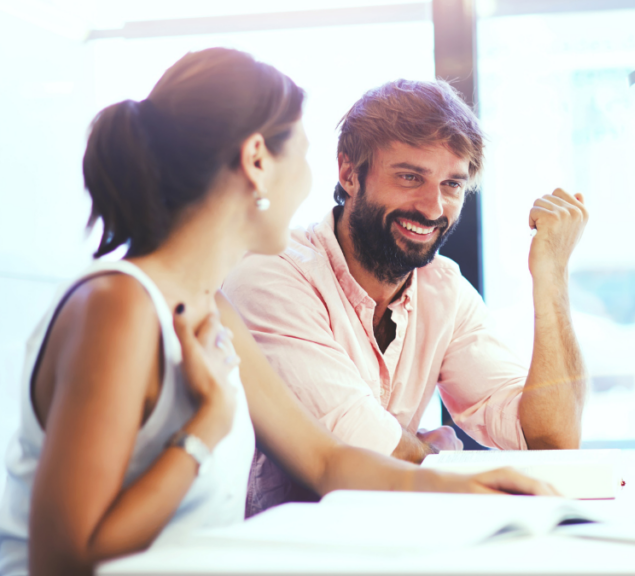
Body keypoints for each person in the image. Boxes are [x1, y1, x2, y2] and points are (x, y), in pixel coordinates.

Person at [0, 49, 555, 576]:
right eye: (305, 157)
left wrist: (472, 489)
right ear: (257, 161)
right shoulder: (118, 307)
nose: (312, 183)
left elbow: (328, 462)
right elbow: (61, 560)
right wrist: (202, 432)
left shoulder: (212, 308)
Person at [222, 79, 590, 517]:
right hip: (277, 550)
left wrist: (550, 276)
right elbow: (361, 447)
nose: (433, 208)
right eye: (410, 177)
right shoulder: (273, 272)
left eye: (452, 184)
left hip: (388, 540)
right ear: (349, 173)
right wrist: (433, 460)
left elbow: (549, 440)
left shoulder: (443, 290)